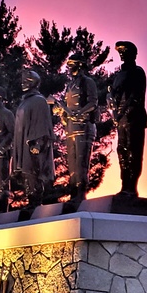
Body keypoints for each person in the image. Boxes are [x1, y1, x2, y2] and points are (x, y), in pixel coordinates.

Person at [108, 41, 147, 197]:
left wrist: (121, 111)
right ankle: (125, 184)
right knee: (122, 151)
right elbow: (114, 96)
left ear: (133, 54)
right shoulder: (119, 75)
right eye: (120, 52)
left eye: (125, 51)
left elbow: (136, 96)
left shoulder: (137, 72)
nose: (121, 54)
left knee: (133, 152)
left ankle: (132, 187)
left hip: (133, 117)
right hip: (121, 119)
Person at [58, 56, 98, 202]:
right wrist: (63, 113)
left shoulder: (88, 82)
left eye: (72, 64)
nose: (69, 67)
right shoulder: (69, 85)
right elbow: (67, 106)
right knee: (72, 164)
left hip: (84, 127)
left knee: (82, 163)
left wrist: (80, 112)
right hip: (70, 128)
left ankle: (80, 194)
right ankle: (74, 192)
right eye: (68, 64)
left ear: (80, 65)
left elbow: (93, 102)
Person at [12, 70, 54, 207]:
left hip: (33, 144)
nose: (23, 83)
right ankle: (31, 199)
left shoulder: (39, 101)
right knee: (25, 172)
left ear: (34, 83)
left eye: (27, 81)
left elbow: (43, 123)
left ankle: (35, 201)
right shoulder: (25, 102)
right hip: (22, 143)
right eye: (23, 81)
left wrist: (38, 142)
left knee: (33, 171)